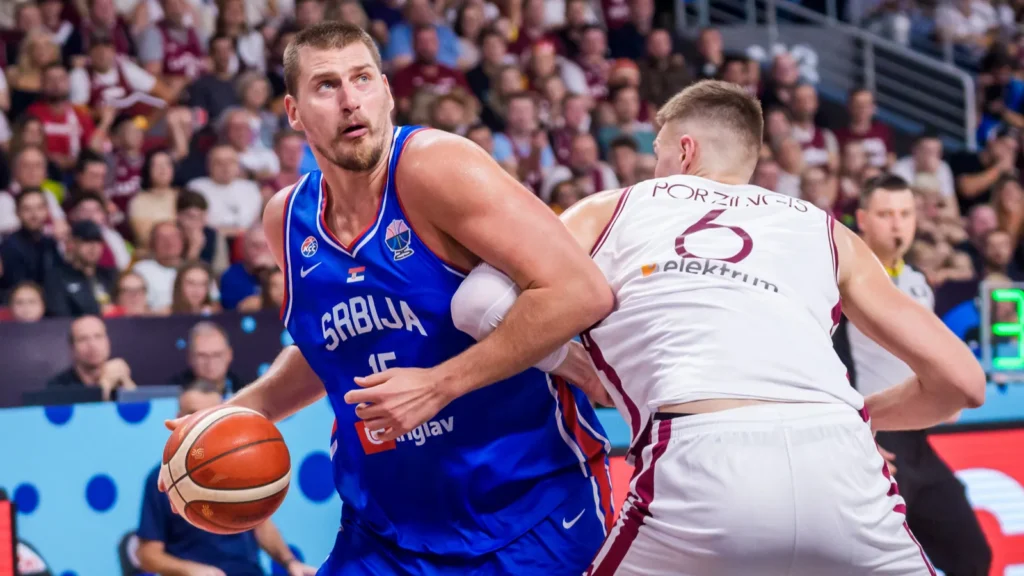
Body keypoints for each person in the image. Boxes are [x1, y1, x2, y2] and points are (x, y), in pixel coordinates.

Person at [444, 80, 986, 574]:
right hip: (844, 461)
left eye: (656, 155)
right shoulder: (822, 228)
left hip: (701, 453)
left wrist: (572, 366)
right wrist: (869, 415)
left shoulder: (613, 208)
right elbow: (964, 383)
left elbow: (478, 302)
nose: (654, 170)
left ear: (684, 151)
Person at [161, 22, 614, 575]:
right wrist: (231, 414)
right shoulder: (286, 217)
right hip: (384, 533)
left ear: (387, 91)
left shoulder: (434, 168)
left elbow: (579, 291)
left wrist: (440, 384)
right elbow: (329, 345)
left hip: (526, 517)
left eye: (363, 79)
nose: (351, 101)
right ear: (293, 112)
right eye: (326, 86)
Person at [847, 175, 993, 576]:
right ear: (862, 218)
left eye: (905, 214)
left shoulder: (916, 284)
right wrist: (853, 437)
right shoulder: (841, 281)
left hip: (918, 440)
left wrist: (945, 392)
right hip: (870, 440)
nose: (897, 224)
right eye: (886, 214)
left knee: (972, 556)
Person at [137, 381, 318, 576]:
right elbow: (147, 554)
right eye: (194, 414)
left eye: (208, 416)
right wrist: (192, 571)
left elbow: (261, 525)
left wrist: (290, 562)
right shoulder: (161, 479)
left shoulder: (242, 465)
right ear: (180, 418)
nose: (202, 425)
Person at [46, 315, 136, 400]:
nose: (92, 345)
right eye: (83, 339)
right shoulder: (58, 388)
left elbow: (138, 413)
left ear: (108, 342)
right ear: (72, 348)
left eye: (98, 336)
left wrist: (126, 382)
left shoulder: (120, 376)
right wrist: (104, 384)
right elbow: (89, 414)